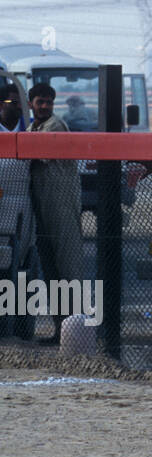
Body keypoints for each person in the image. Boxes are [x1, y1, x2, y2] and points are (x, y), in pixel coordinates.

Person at [26, 83, 83, 344]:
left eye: (49, 102)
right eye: (41, 102)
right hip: (43, 208)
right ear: (31, 104)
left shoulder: (54, 126)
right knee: (51, 271)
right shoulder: (31, 129)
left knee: (68, 269)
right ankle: (62, 330)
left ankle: (76, 330)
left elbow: (32, 154)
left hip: (61, 208)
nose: (45, 106)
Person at [0, 82, 37, 339]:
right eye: (11, 103)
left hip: (24, 208)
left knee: (25, 269)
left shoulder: (30, 130)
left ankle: (22, 329)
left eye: (19, 103)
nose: (17, 108)